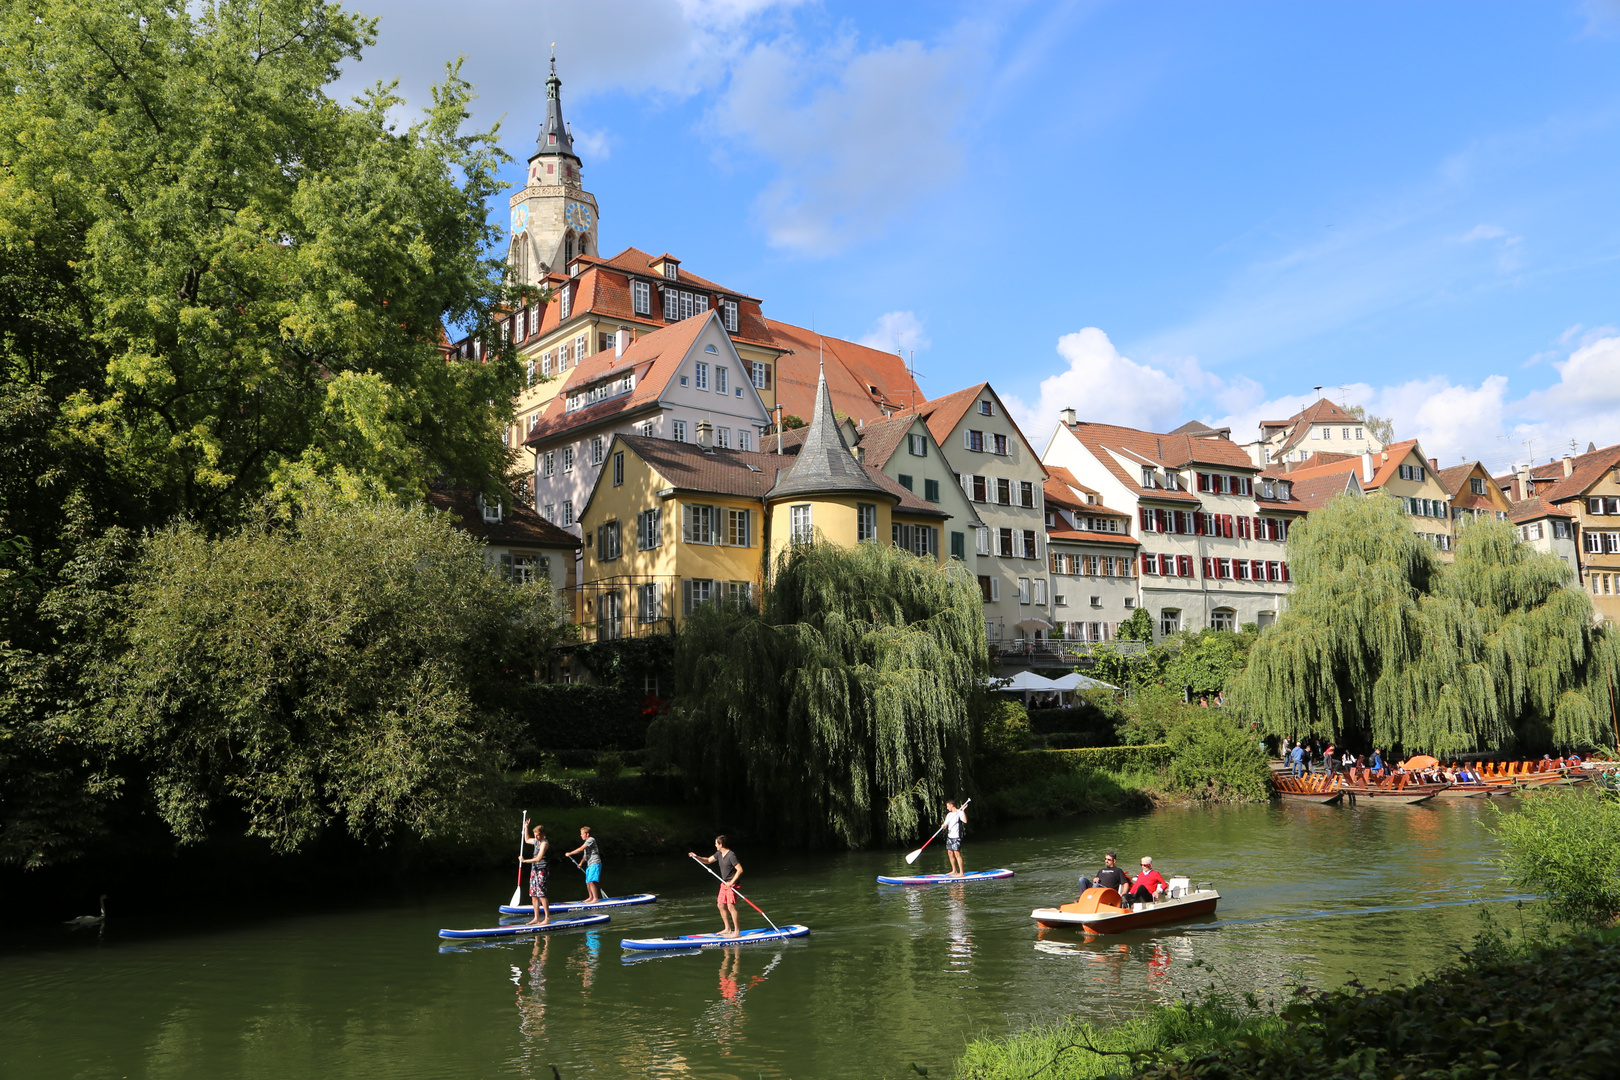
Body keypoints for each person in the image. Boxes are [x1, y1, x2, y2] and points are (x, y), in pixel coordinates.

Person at [689, 835, 744, 937]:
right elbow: (708, 861)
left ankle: (737, 932)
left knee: (730, 906)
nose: (715, 845)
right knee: (720, 905)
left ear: (721, 844)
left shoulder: (731, 855)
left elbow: (740, 870)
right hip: (724, 884)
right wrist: (696, 857)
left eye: (716, 843)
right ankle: (727, 929)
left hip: (732, 885)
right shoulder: (719, 854)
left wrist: (731, 882)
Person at [520, 822, 551, 925]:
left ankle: (547, 918)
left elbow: (538, 858)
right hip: (534, 870)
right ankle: (536, 918)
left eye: (538, 835)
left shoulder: (544, 843)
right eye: (535, 835)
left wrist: (524, 861)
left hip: (542, 870)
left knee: (541, 894)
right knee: (533, 895)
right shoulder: (536, 841)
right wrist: (526, 827)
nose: (536, 837)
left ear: (542, 834)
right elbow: (527, 839)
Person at [564, 825, 604, 903]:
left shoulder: (591, 840)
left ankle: (595, 899)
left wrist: (570, 853)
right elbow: (585, 855)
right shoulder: (586, 842)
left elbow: (581, 849)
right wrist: (581, 863)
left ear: (587, 834)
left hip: (595, 863)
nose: (581, 835)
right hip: (590, 864)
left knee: (592, 881)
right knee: (588, 882)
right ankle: (590, 897)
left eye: (582, 833)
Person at [939, 800, 968, 876]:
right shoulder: (949, 815)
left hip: (956, 837)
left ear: (952, 805)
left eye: (948, 806)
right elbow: (945, 824)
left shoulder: (959, 812)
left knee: (957, 854)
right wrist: (943, 825)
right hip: (950, 836)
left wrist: (963, 811)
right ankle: (954, 870)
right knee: (950, 853)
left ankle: (961, 873)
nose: (947, 808)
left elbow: (965, 821)